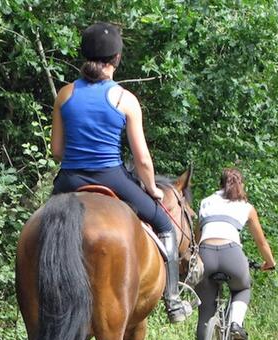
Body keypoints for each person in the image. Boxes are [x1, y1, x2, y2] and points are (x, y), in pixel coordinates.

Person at [49, 22, 192, 323]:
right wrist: (152, 188)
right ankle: (173, 299)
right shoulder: (124, 99)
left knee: (45, 226)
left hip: (70, 178)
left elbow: (57, 150)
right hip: (110, 175)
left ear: (83, 55)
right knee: (164, 223)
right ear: (117, 58)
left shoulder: (64, 95)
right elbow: (142, 160)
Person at [195, 168, 275, 340]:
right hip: (232, 254)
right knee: (242, 288)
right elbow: (261, 242)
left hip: (205, 254)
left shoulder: (205, 202)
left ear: (219, 185)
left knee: (205, 312)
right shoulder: (246, 206)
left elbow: (197, 238)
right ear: (241, 185)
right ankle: (235, 325)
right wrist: (270, 262)